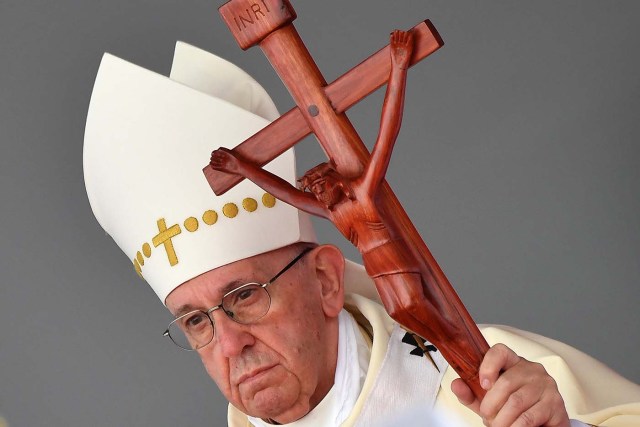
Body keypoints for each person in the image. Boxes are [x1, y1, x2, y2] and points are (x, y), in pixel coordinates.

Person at [84, 40, 640, 426]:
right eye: (195, 321)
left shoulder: (488, 380)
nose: (230, 345)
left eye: (245, 296)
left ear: (326, 280)